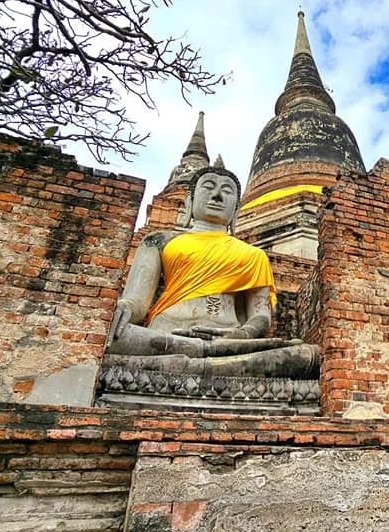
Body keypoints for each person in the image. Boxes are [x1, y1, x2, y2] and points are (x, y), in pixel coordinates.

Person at [104, 159, 319, 379]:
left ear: (236, 210)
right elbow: (137, 301)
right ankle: (203, 362)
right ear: (189, 201)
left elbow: (261, 317)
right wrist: (124, 309)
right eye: (208, 187)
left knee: (306, 355)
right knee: (107, 335)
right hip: (166, 335)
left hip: (229, 342)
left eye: (226, 191)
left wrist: (241, 335)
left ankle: (185, 363)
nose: (216, 196)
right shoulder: (158, 241)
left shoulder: (254, 255)